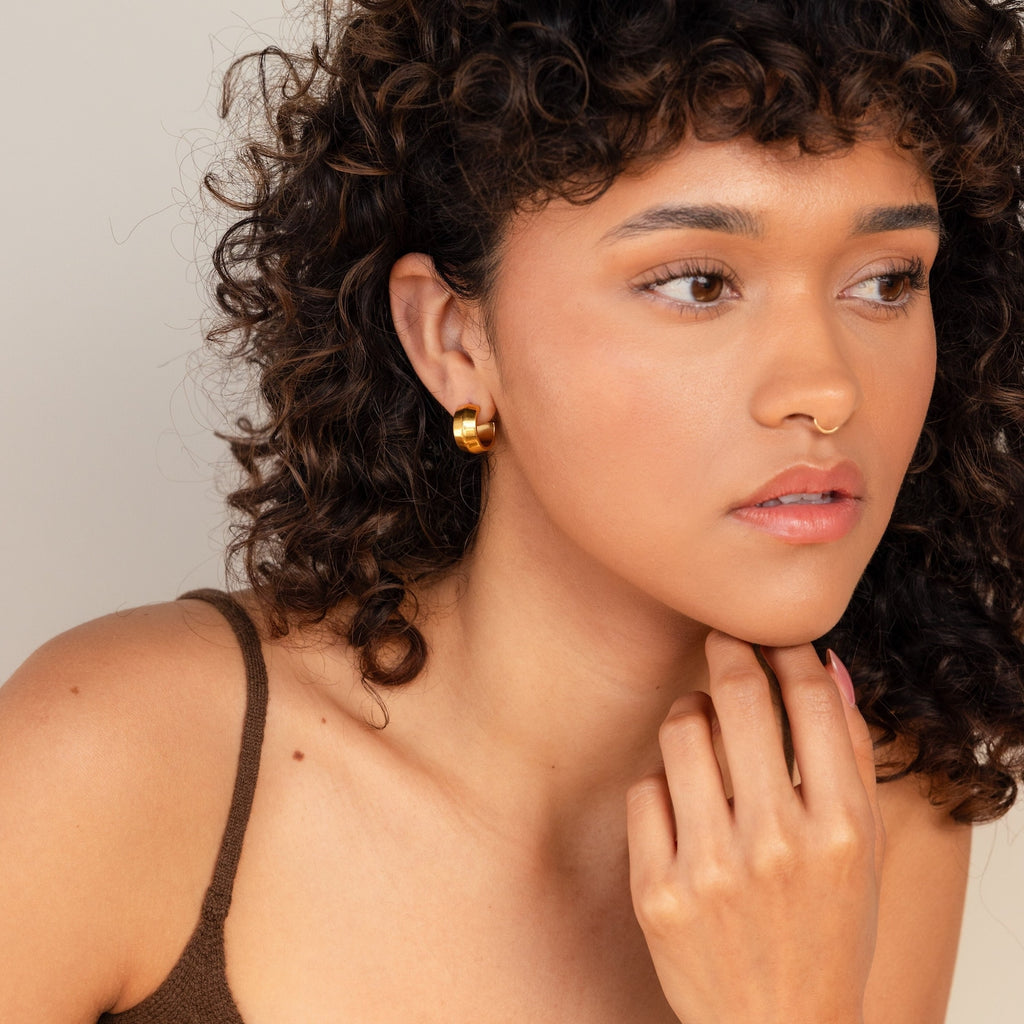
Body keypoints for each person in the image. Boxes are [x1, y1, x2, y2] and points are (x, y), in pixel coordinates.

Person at [3, 0, 1024, 1020]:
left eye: (887, 280)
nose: (827, 388)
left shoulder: (867, 808)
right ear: (454, 339)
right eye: (698, 283)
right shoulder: (117, 760)